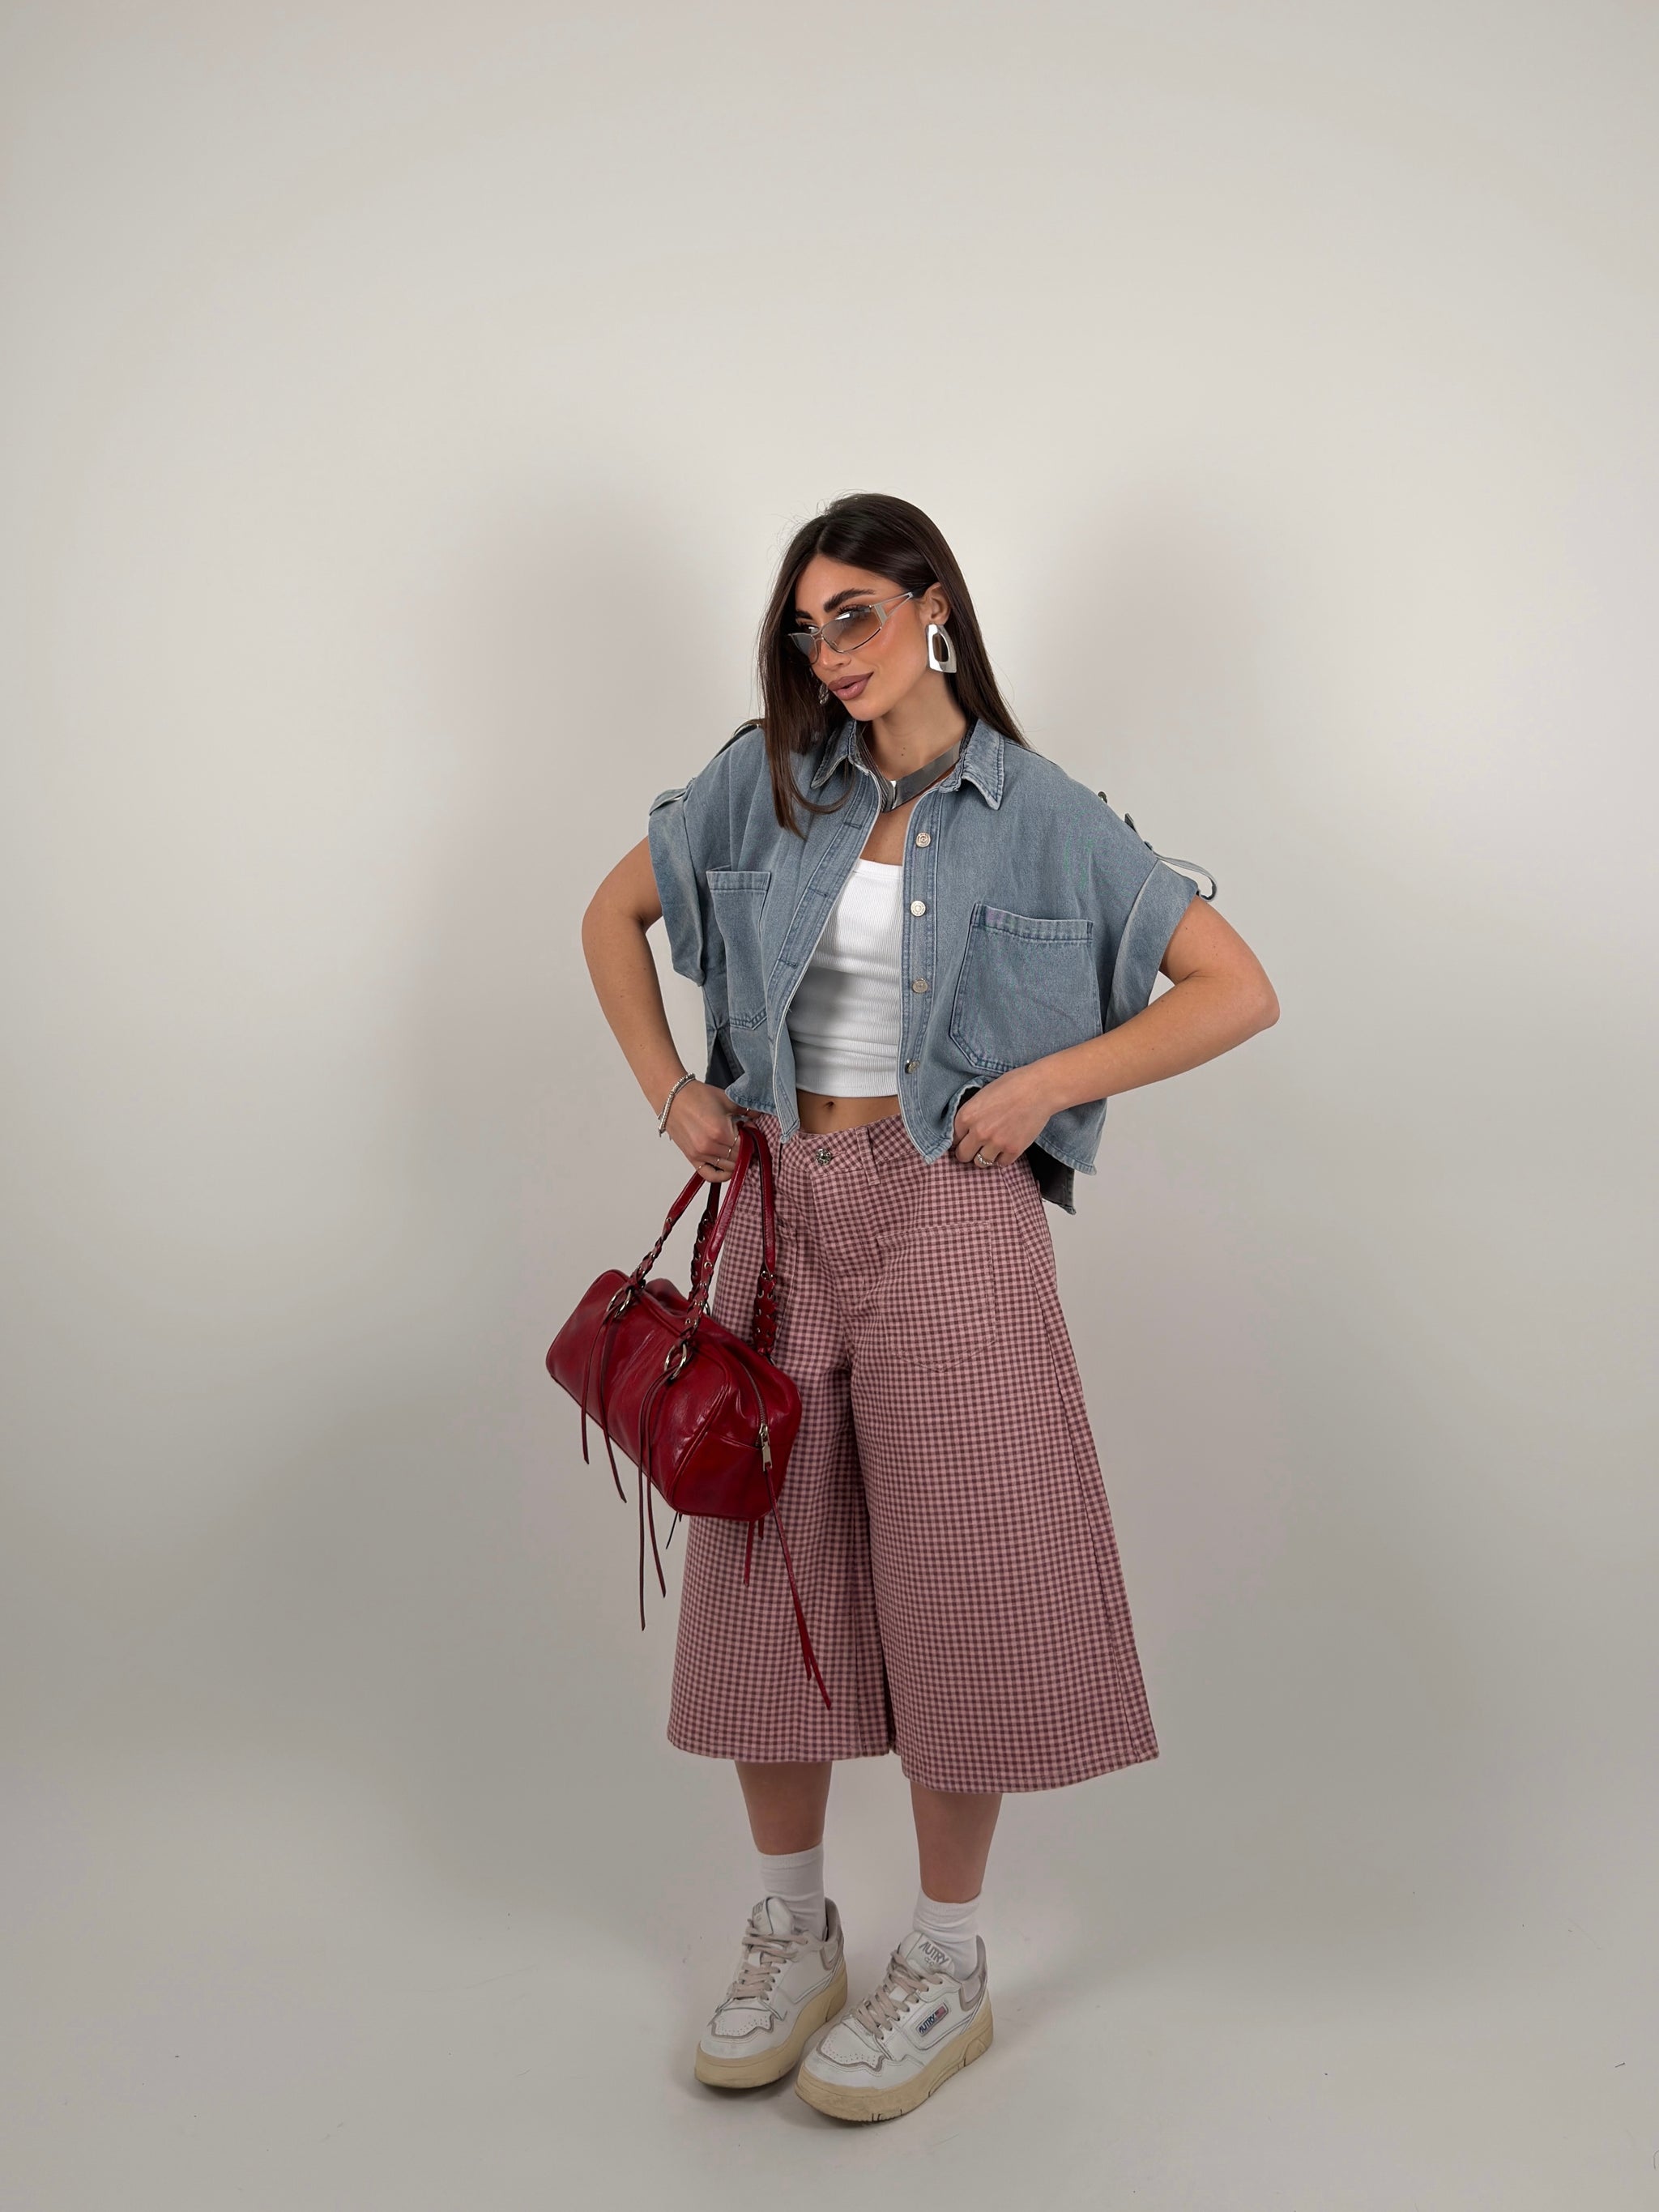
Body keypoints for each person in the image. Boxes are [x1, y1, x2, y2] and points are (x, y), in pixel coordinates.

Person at [580, 490, 1278, 2124]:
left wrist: (1042, 1085)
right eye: (806, 627)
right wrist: (674, 1091)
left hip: (953, 1217)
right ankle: (792, 1933)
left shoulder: (1041, 812)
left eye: (858, 616)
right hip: (775, 1208)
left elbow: (1236, 988)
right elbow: (610, 914)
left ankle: (948, 1959)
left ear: (934, 607)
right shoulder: (767, 779)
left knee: (966, 1572)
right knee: (765, 1559)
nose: (830, 654)